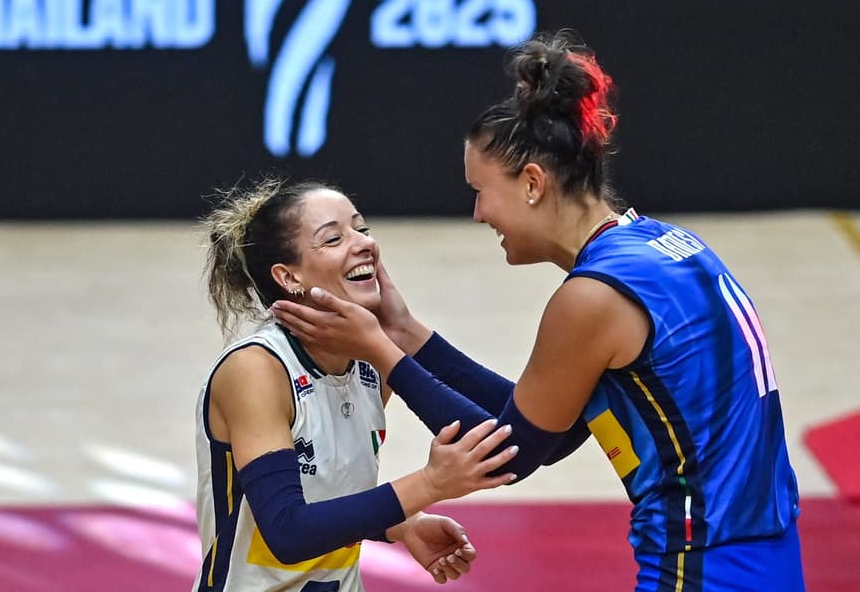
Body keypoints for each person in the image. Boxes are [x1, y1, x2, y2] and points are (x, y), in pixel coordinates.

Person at [270, 29, 805, 592]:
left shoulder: (591, 297)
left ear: (532, 184)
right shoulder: (664, 245)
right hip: (770, 552)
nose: (478, 214)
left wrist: (380, 351)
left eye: (480, 190)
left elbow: (511, 455)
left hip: (702, 563)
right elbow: (553, 431)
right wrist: (405, 332)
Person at [192, 176, 518, 592]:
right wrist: (429, 484)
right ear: (288, 276)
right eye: (333, 238)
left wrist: (400, 525)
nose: (364, 243)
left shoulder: (371, 360)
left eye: (361, 228)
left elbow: (328, 493)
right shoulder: (256, 368)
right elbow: (287, 532)